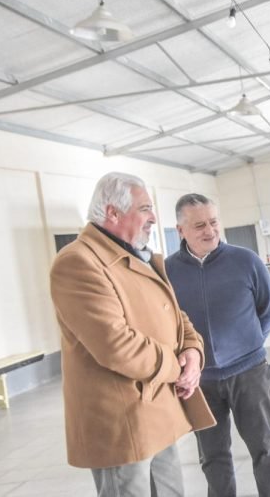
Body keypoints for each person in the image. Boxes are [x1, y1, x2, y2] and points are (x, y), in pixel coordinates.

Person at [50, 172, 214, 497]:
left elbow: (174, 315)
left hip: (157, 408)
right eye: (145, 208)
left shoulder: (138, 255)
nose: (154, 217)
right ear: (113, 212)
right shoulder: (78, 263)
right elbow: (116, 346)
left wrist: (193, 352)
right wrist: (177, 368)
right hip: (121, 422)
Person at [165, 193, 270, 497]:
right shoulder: (167, 272)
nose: (209, 230)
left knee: (265, 448)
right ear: (180, 230)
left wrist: (248, 346)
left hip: (249, 372)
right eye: (199, 226)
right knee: (213, 458)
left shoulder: (246, 261)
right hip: (199, 380)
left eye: (213, 222)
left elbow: (268, 310)